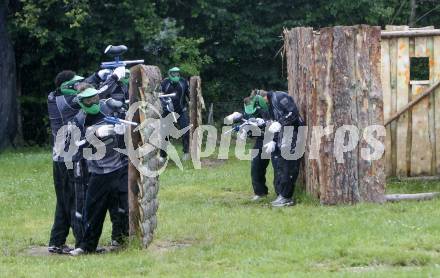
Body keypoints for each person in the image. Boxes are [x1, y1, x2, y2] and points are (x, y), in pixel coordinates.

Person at [69, 86, 129, 255]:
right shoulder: (78, 120)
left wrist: (122, 131)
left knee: (123, 207)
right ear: (81, 102)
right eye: (88, 100)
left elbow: (128, 125)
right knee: (94, 209)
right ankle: (87, 246)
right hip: (98, 172)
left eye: (95, 97)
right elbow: (75, 146)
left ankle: (123, 239)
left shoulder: (108, 107)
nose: (93, 102)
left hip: (119, 167)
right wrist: (94, 135)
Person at [243, 90, 303, 207]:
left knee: (288, 166)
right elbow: (273, 125)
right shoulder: (270, 106)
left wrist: (280, 123)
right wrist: (273, 140)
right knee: (281, 166)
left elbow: (293, 112)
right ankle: (281, 195)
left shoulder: (280, 97)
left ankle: (286, 197)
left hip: (294, 133)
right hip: (282, 136)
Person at [47, 70, 85, 254]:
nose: (80, 87)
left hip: (60, 159)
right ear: (68, 88)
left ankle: (56, 241)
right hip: (69, 160)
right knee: (75, 200)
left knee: (64, 200)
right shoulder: (67, 103)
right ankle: (82, 243)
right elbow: (93, 95)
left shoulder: (54, 97)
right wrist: (112, 78)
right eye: (76, 85)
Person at [160, 67, 190, 160]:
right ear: (169, 74)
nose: (176, 76)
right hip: (168, 111)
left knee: (185, 130)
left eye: (177, 74)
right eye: (173, 74)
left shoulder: (183, 82)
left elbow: (189, 94)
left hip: (181, 111)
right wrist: (166, 104)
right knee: (165, 133)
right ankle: (163, 155)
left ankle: (186, 152)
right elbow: (160, 96)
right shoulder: (165, 83)